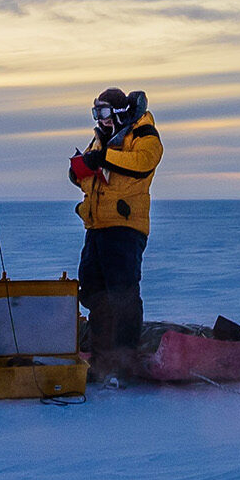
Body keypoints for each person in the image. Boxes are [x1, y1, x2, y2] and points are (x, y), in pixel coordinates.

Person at [69, 87, 164, 379]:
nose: (101, 119)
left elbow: (142, 164)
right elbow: (86, 168)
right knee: (93, 289)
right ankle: (102, 358)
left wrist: (104, 158)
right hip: (97, 226)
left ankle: (125, 360)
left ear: (120, 111)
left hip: (125, 227)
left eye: (105, 112)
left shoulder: (144, 135)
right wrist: (80, 169)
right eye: (97, 113)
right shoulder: (100, 138)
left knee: (123, 293)